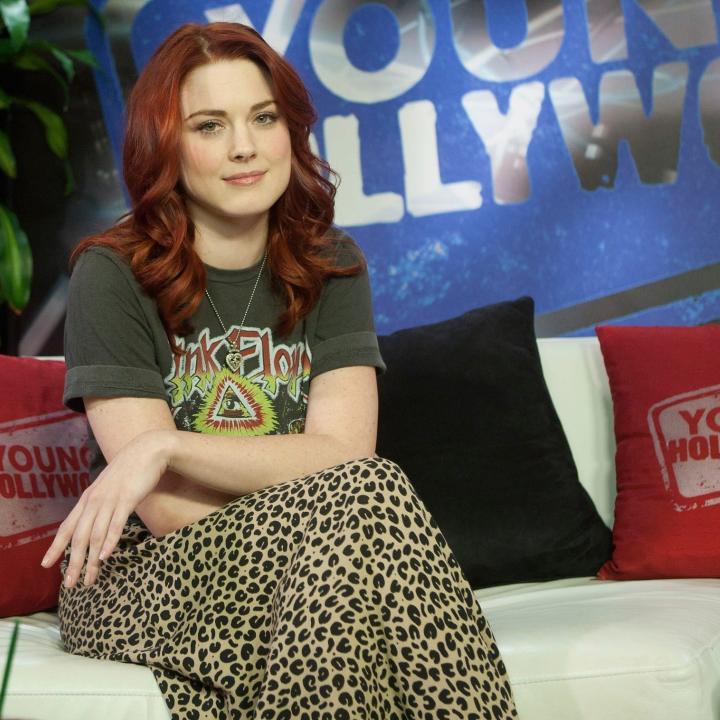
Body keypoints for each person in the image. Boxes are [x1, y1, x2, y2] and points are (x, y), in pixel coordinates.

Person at [41, 21, 518, 720]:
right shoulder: (111, 273)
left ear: (290, 130)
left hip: (326, 556)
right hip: (149, 576)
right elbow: (167, 508)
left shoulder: (332, 262)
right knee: (365, 512)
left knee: (356, 523)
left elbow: (343, 455)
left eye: (263, 118)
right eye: (209, 125)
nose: (244, 147)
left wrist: (167, 444)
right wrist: (315, 535)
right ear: (165, 143)